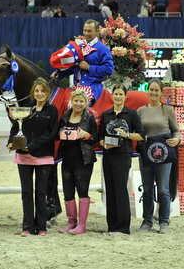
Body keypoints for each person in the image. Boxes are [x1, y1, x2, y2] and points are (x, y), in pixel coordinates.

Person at [8, 77, 59, 236]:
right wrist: (11, 142)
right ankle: (27, 227)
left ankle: (41, 227)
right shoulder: (25, 108)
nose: (39, 94)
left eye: (42, 91)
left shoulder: (52, 111)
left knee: (41, 193)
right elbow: (16, 127)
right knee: (27, 192)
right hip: (23, 157)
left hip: (43, 156)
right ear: (33, 93)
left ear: (47, 93)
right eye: (37, 91)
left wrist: (31, 146)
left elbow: (51, 134)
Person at [98, 84, 145, 235]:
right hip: (108, 155)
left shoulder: (131, 114)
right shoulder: (106, 115)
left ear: (125, 96)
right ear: (112, 96)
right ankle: (112, 226)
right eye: (115, 94)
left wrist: (127, 135)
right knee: (110, 190)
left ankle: (123, 227)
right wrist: (103, 144)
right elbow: (99, 137)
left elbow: (141, 135)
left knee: (120, 190)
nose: (118, 97)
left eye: (120, 94)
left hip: (123, 155)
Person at [137, 79, 180, 234]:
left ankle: (164, 221)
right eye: (151, 90)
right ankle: (147, 221)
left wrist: (177, 139)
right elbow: (138, 132)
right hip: (146, 155)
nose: (154, 93)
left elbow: (176, 130)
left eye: (157, 90)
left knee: (163, 189)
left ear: (161, 93)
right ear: (148, 91)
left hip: (164, 155)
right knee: (147, 189)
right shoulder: (140, 111)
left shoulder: (167, 110)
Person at [57, 89, 98, 234]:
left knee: (82, 190)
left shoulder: (89, 118)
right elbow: (57, 134)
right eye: (76, 101)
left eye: (81, 101)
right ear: (71, 101)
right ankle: (71, 222)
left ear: (86, 103)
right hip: (67, 159)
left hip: (83, 159)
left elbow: (95, 139)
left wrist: (87, 136)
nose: (78, 104)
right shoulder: (64, 117)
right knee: (68, 191)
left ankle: (82, 225)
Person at [52, 19, 114, 104]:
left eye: (89, 31)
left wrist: (89, 67)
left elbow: (109, 69)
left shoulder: (103, 49)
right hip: (76, 86)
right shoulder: (79, 47)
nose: (86, 33)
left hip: (92, 88)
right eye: (84, 30)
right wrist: (59, 74)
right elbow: (72, 68)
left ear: (96, 32)